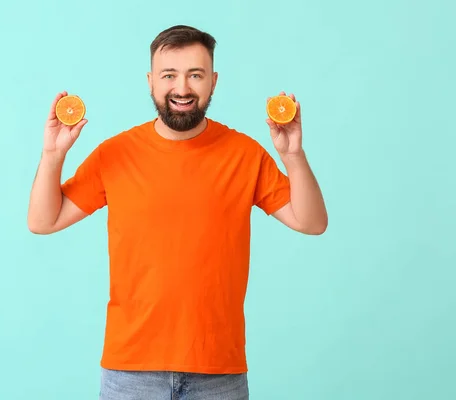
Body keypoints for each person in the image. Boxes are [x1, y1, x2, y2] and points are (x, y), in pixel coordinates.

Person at [27, 24, 327, 400]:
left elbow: (312, 223)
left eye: (195, 75)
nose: (182, 88)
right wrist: (53, 155)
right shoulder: (114, 154)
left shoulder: (244, 154)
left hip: (219, 373)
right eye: (169, 75)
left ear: (213, 81)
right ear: (151, 81)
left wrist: (293, 157)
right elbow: (43, 221)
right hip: (130, 372)